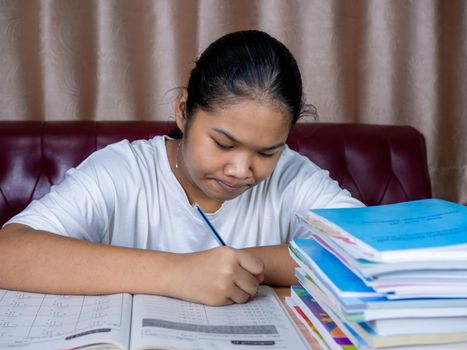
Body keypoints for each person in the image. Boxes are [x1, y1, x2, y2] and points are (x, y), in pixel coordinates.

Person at [0, 30, 362, 306]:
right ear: (184, 111)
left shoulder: (292, 174)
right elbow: (9, 252)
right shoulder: (123, 172)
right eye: (223, 143)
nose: (241, 169)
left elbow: (368, 254)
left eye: (267, 152)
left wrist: (241, 266)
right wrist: (178, 272)